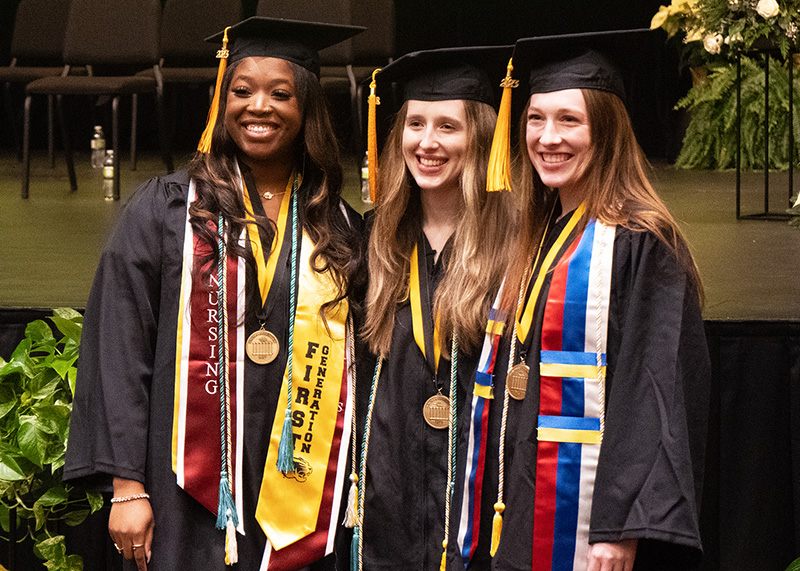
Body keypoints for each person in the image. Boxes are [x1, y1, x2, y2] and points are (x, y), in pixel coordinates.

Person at [64, 17, 366, 571]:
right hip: (183, 484)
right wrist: (127, 486)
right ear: (220, 102)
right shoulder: (168, 210)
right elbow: (121, 345)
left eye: (281, 94)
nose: (259, 107)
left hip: (300, 488)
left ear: (308, 109)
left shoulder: (337, 225)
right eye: (242, 90)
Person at [473, 30, 711, 571]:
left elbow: (654, 389)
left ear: (605, 132)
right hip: (523, 505)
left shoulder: (643, 242)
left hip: (593, 529)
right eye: (535, 118)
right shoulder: (536, 234)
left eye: (569, 120)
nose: (547, 137)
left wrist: (619, 524)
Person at [353, 46, 514, 571]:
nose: (427, 143)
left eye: (448, 126)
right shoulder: (370, 242)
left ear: (481, 138)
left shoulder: (518, 246)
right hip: (388, 497)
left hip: (484, 492)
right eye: (415, 124)